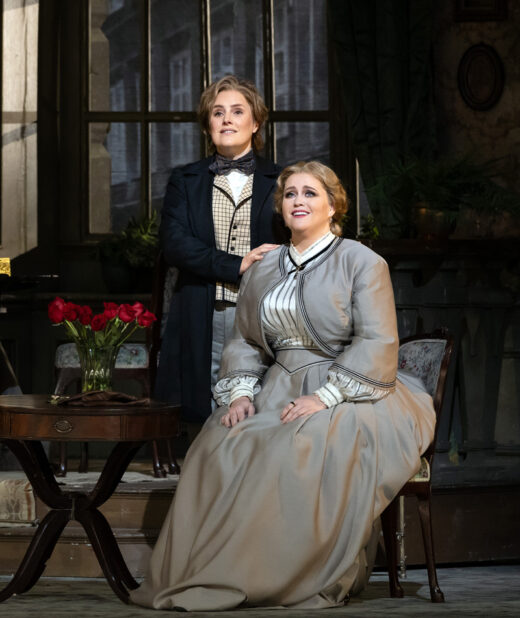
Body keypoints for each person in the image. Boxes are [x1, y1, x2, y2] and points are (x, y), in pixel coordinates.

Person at [131, 161, 436, 611]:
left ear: (333, 205)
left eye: (310, 193)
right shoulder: (264, 267)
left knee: (299, 445)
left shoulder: (361, 261)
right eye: (290, 194)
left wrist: (325, 397)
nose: (298, 201)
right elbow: (245, 340)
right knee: (219, 442)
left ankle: (282, 575)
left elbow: (376, 340)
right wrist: (239, 394)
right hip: (277, 384)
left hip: (350, 387)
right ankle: (216, 572)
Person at [155, 75, 283, 424]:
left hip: (265, 312)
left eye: (238, 111)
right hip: (205, 309)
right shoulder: (185, 180)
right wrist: (236, 264)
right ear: (207, 125)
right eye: (217, 112)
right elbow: (175, 244)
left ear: (255, 123)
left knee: (264, 406)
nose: (227, 119)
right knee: (207, 409)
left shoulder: (283, 180)